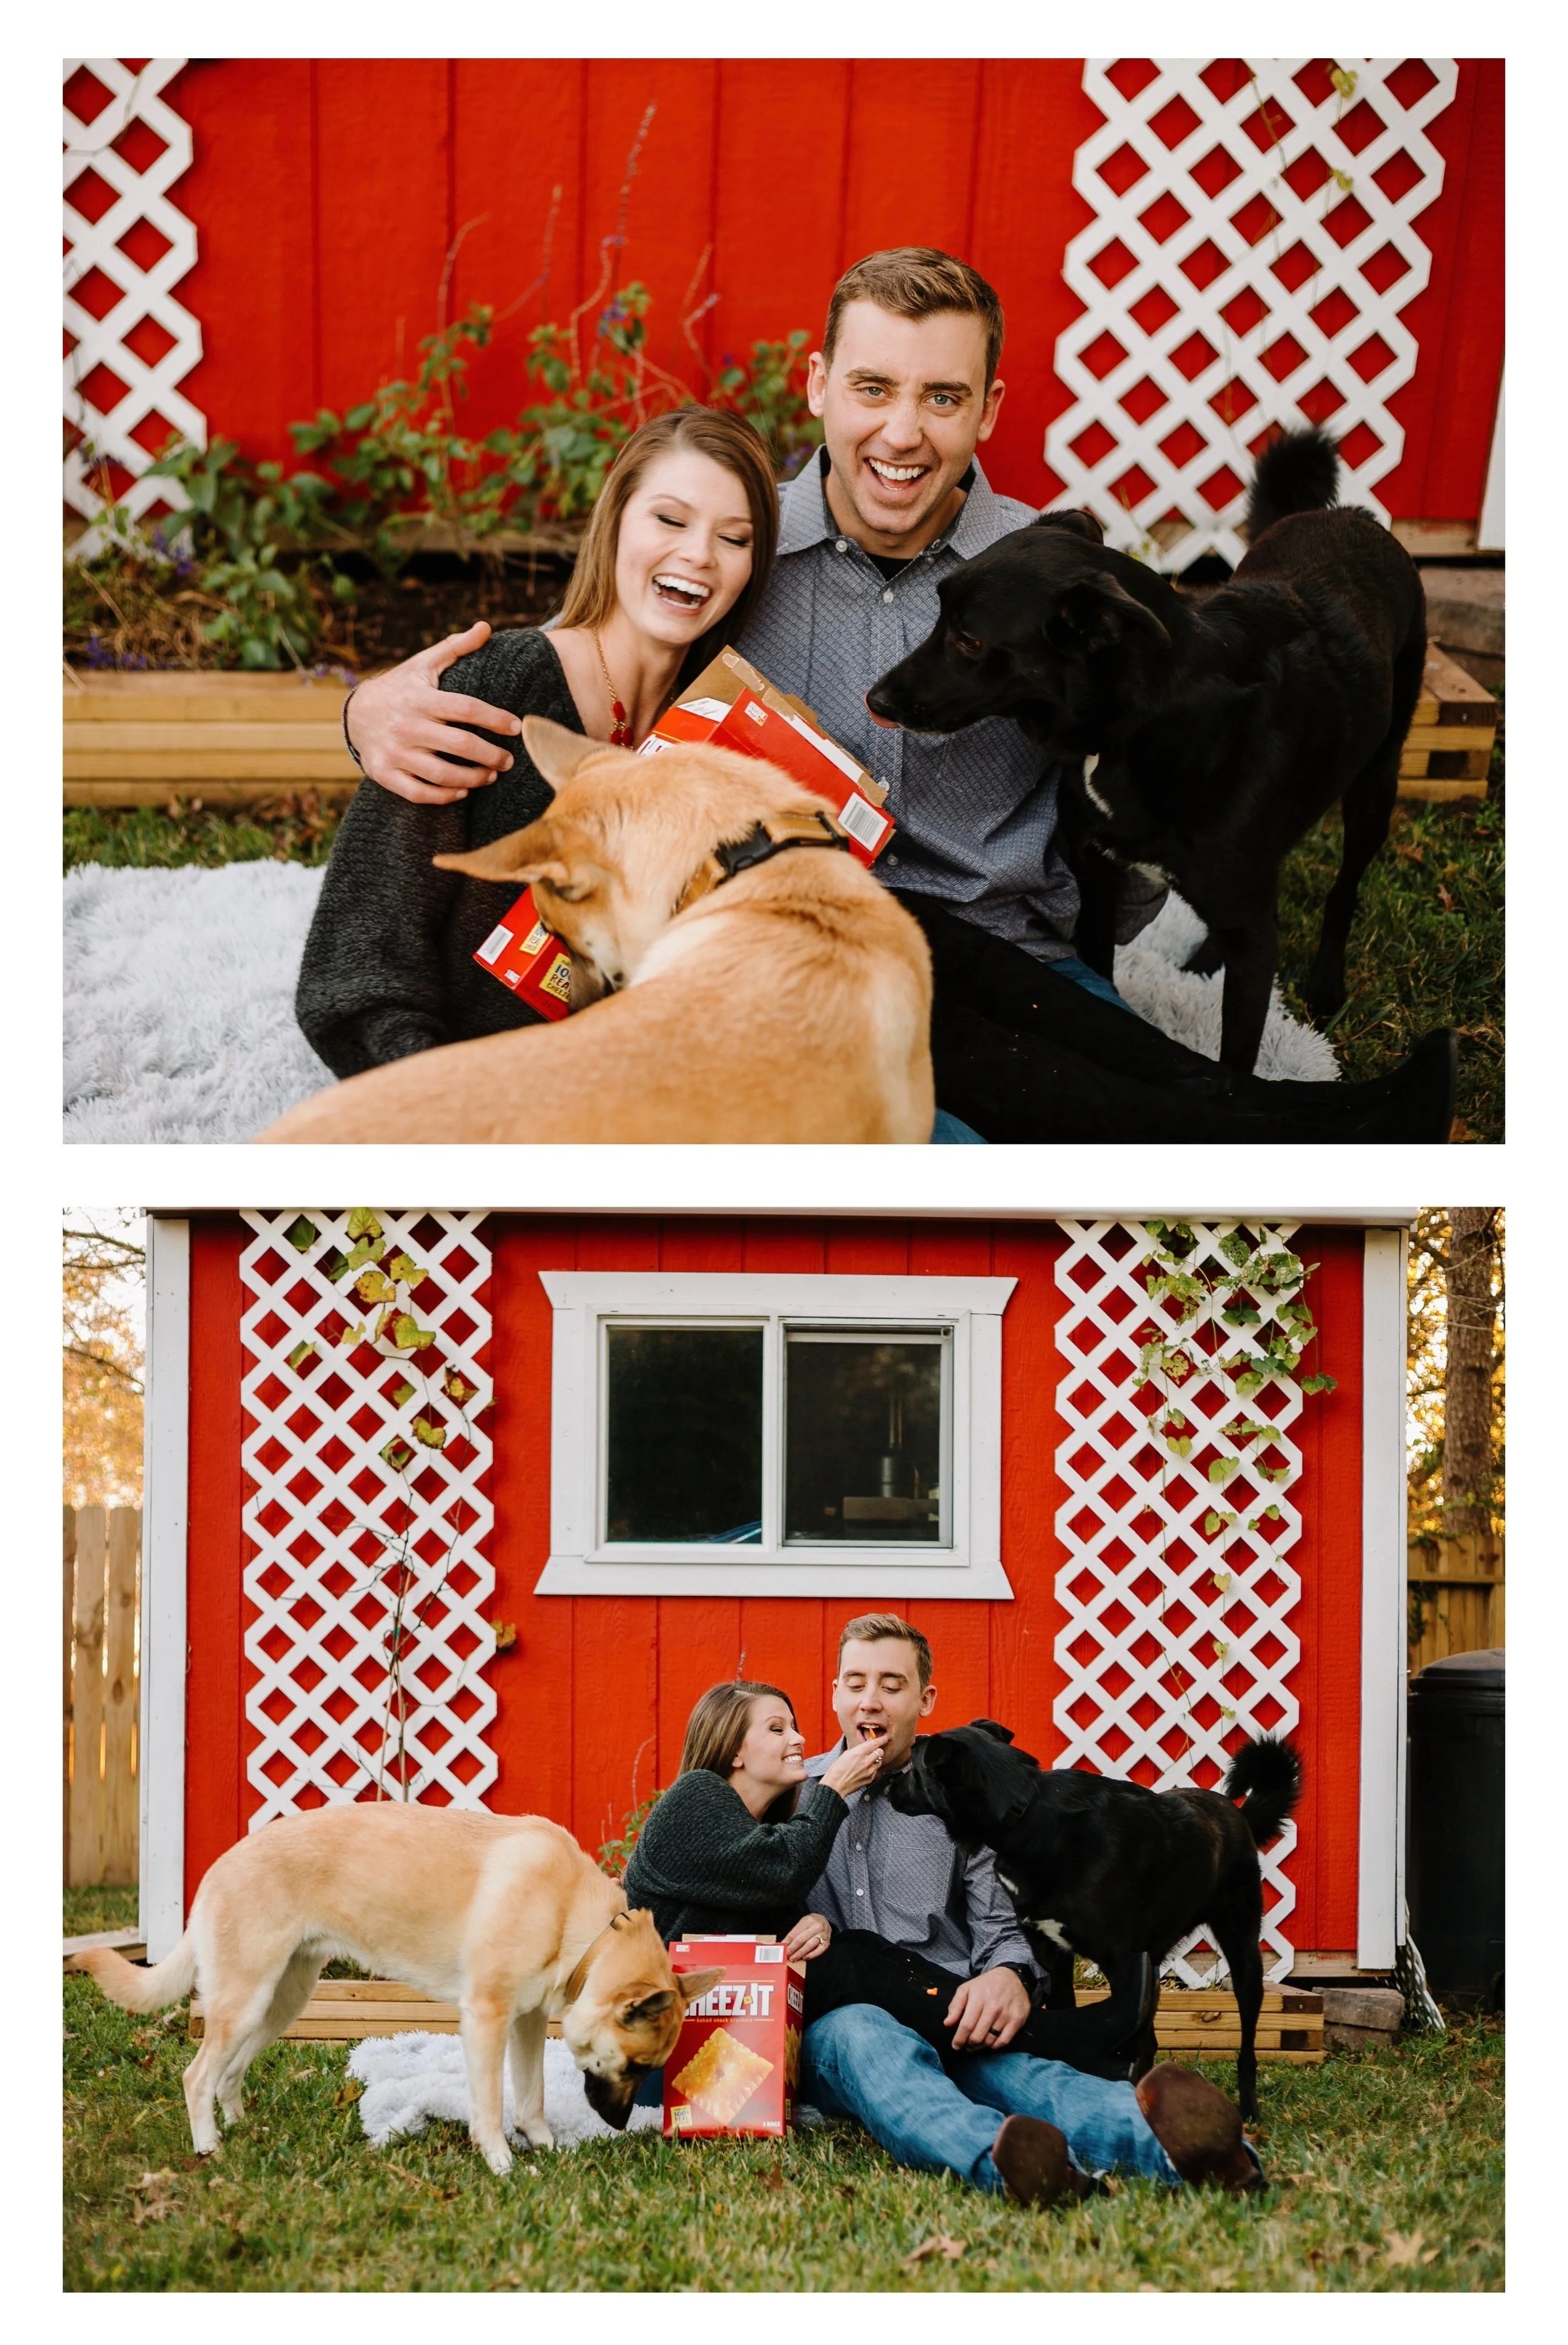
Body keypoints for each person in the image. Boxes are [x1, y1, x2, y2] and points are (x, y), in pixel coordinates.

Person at [338, 247, 1450, 1143]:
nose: (903, 431)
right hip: (811, 945)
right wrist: (364, 710)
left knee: (1128, 1079)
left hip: (1009, 948)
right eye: (872, 387)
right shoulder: (739, 551)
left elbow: (1177, 703)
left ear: (989, 407)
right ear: (819, 385)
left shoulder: (1048, 573)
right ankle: (1298, 1133)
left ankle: (1301, 1120)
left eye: (942, 396)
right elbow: (601, 654)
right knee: (992, 1159)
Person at [622, 1651, 1260, 2206]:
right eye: (854, 1683)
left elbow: (999, 1923)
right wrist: (830, 1799)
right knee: (873, 2033)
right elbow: (772, 1877)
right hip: (790, 2034)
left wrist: (1008, 1974)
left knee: (1012, 2072)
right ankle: (1009, 2160)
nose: (869, 1700)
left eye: (892, 1684)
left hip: (948, 2008)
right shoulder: (789, 1793)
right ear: (836, 1694)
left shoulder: (956, 1790)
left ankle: (1187, 2146)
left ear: (924, 1700)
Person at [623, 1679, 1153, 2077]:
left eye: (795, 1725)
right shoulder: (697, 1794)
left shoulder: (757, 1828)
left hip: (729, 2025)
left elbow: (768, 1899)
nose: (800, 1738)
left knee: (857, 1949)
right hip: (664, 2046)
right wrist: (834, 1790)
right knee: (854, 1964)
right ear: (734, 1749)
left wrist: (816, 1925)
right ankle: (1063, 2038)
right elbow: (782, 1871)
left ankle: (1064, 2041)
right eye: (777, 1728)